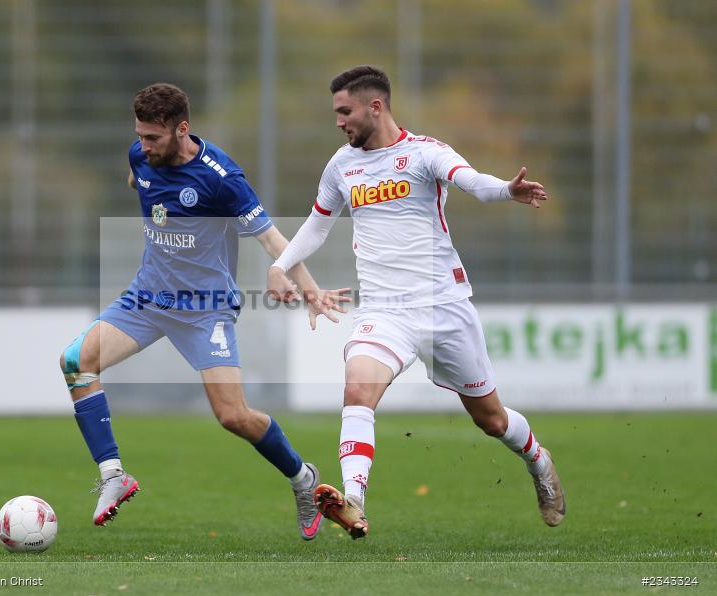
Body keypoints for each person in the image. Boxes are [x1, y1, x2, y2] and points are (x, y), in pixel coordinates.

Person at [267, 65, 565, 539]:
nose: (339, 122)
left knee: (491, 419)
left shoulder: (426, 153)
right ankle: (354, 500)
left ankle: (537, 459)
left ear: (375, 106)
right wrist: (281, 264)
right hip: (384, 311)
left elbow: (472, 181)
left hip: (444, 306)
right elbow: (318, 224)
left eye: (345, 112)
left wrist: (507, 190)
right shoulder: (341, 165)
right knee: (357, 389)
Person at [60, 83, 348, 537]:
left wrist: (307, 288)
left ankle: (302, 479)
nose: (143, 145)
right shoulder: (140, 156)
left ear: (182, 129)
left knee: (233, 416)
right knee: (76, 362)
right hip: (148, 298)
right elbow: (139, 179)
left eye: (153, 137)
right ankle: (114, 476)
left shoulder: (221, 178)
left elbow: (273, 238)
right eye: (139, 135)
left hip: (205, 310)